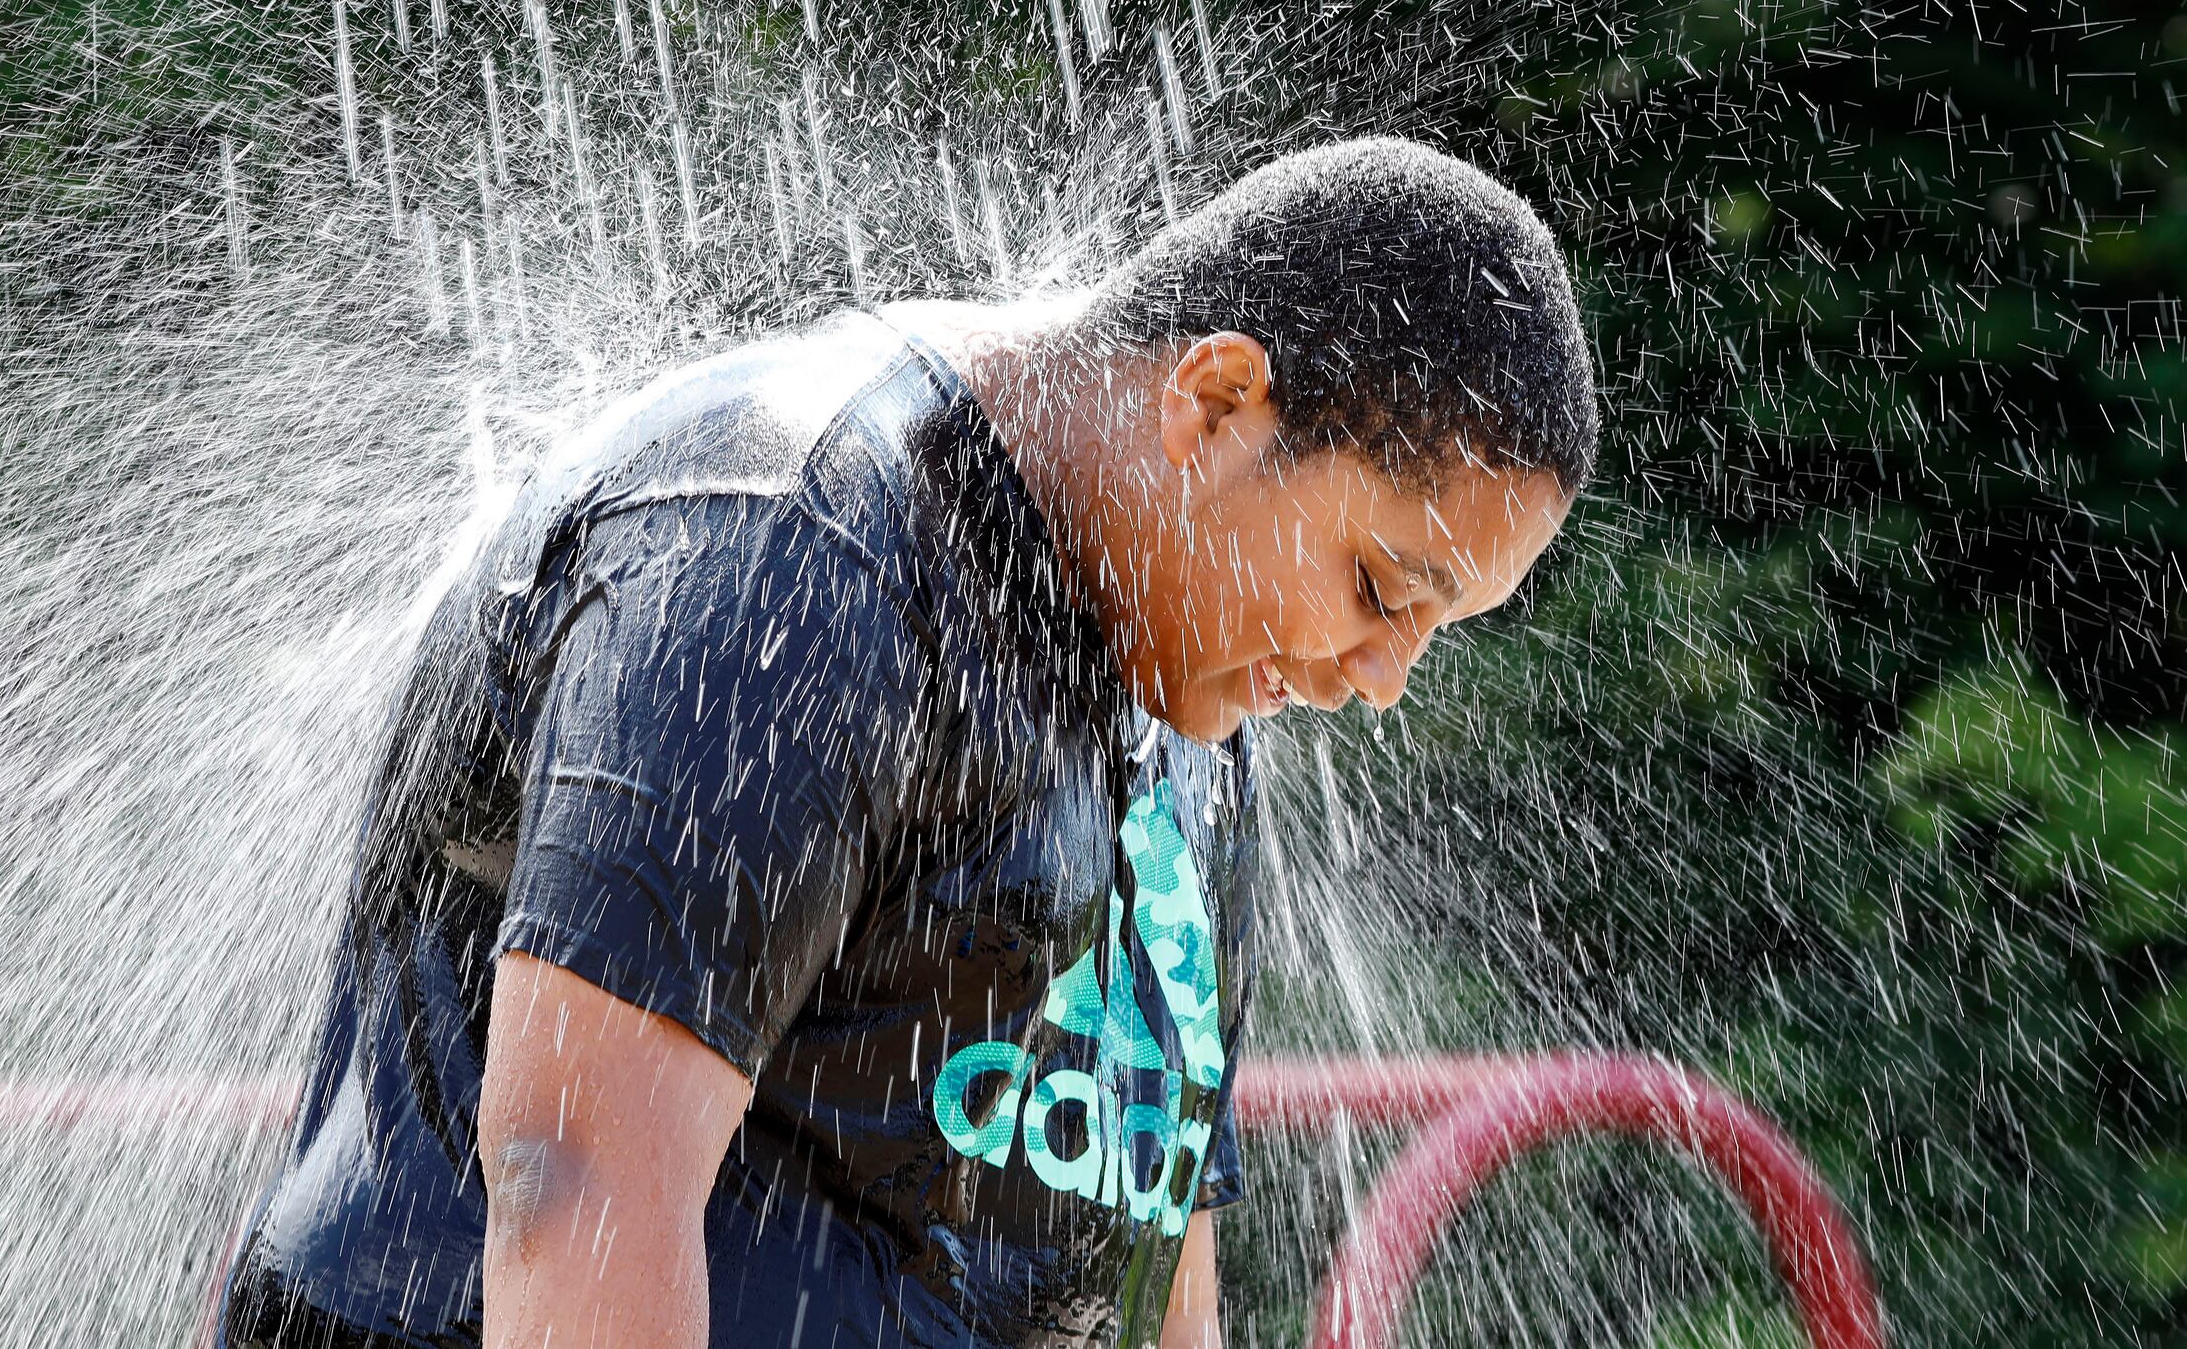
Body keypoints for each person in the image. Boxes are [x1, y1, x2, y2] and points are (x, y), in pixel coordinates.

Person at [216, 136, 1599, 1349]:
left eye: (1437, 629)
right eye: (1381, 589)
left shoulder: (1199, 684)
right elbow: (578, 1187)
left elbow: (1149, 1263)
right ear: (1216, 403)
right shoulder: (785, 563)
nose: (1383, 680)